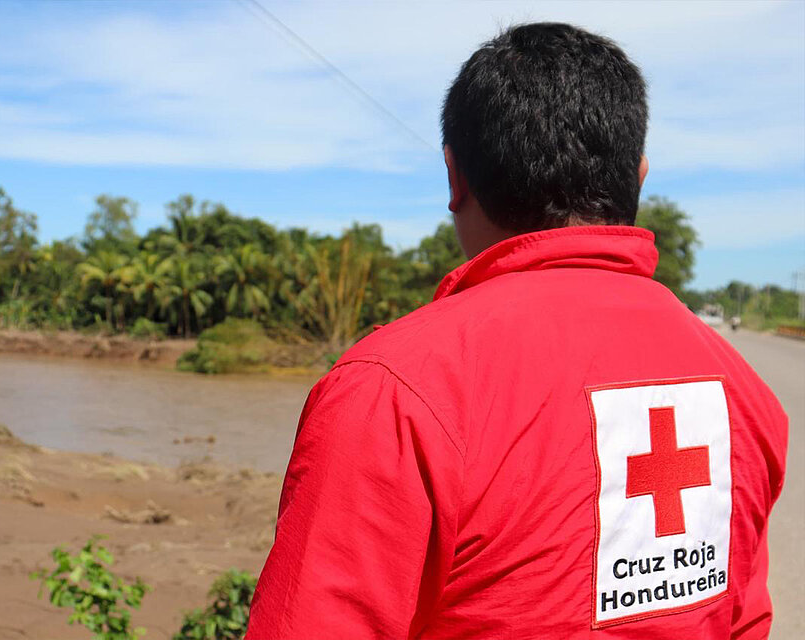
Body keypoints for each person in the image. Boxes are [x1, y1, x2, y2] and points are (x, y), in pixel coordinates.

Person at [246, 22, 787, 639]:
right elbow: (744, 619)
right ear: (637, 179)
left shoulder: (393, 390)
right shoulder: (744, 391)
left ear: (454, 178)